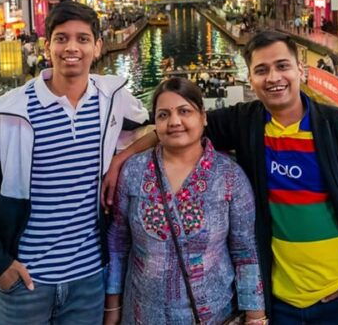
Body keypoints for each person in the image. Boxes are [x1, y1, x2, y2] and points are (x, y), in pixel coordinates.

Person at [108, 30, 338, 324]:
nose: (273, 77)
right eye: (261, 70)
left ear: (301, 70)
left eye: (282, 66)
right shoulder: (246, 122)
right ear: (250, 78)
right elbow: (178, 128)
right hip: (279, 300)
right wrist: (123, 158)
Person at [0, 0, 149, 325]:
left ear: (98, 46)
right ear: (48, 47)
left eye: (83, 38)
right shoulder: (10, 110)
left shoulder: (112, 97)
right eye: (62, 38)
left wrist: (120, 160)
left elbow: (158, 128)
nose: (72, 47)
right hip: (25, 280)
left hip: (88, 278)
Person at [105, 78, 265, 324]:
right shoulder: (134, 171)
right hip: (142, 314)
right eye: (163, 114)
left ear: (203, 117)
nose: (174, 122)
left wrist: (255, 316)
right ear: (155, 124)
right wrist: (112, 308)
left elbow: (245, 251)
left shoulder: (229, 177)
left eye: (184, 111)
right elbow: (119, 242)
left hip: (213, 314)